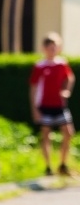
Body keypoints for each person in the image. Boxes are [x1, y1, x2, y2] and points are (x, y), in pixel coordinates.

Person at [29, 32, 75, 176]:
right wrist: (35, 109)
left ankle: (63, 164)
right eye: (50, 47)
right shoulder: (40, 66)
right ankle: (48, 167)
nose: (52, 50)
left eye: (55, 47)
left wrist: (66, 91)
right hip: (44, 106)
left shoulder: (62, 63)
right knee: (46, 135)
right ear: (44, 48)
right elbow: (33, 88)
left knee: (68, 133)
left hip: (59, 105)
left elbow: (70, 77)